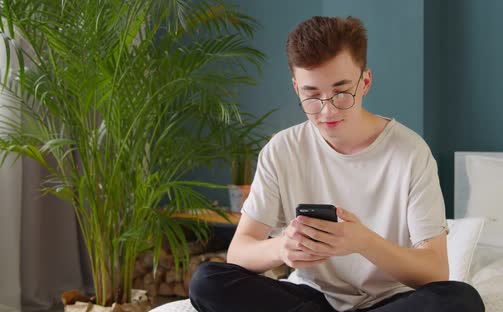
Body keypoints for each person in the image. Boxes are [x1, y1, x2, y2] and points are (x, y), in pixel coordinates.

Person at [189, 16, 485, 312]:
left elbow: (435, 271)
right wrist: (281, 248)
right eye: (312, 95)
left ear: (365, 81)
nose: (327, 110)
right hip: (311, 298)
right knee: (207, 281)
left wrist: (363, 242)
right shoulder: (281, 150)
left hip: (390, 300)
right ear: (296, 88)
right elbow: (239, 251)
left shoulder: (411, 153)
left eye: (341, 92)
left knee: (461, 301)